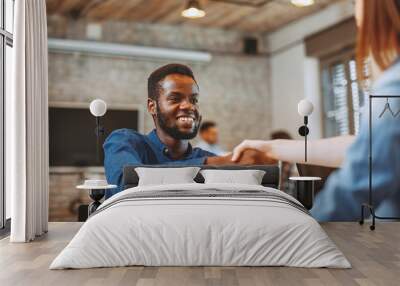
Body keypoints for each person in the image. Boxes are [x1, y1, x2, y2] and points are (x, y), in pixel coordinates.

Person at [231, 0, 400, 221]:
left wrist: (300, 229)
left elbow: (359, 181)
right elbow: (365, 148)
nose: (356, 10)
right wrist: (272, 148)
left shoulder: (393, 85)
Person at [104, 64, 270, 198]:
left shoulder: (209, 159)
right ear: (152, 106)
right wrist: (216, 164)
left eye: (194, 100)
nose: (189, 106)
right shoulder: (125, 141)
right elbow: (125, 186)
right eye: (175, 98)